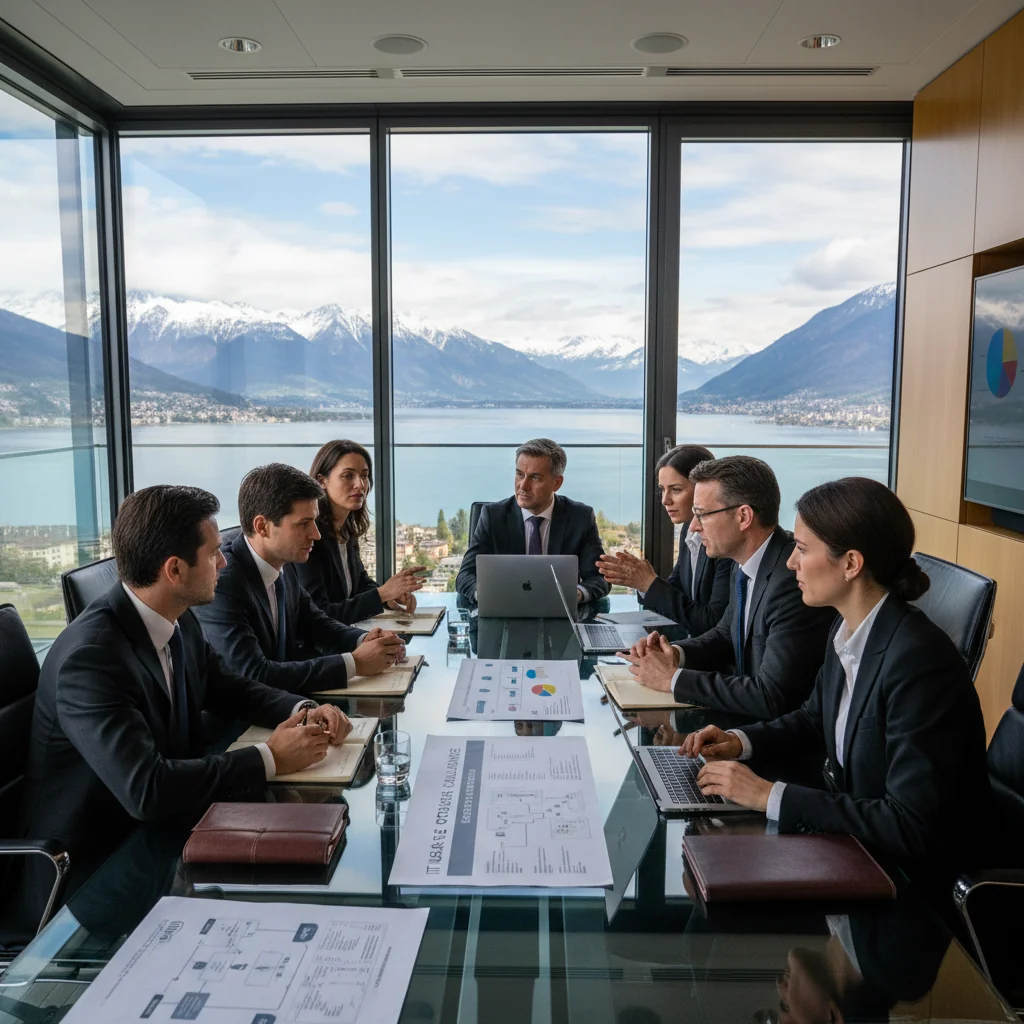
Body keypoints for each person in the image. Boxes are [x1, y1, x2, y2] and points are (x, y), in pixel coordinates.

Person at [20, 485, 350, 903]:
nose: (224, 561)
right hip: (90, 875)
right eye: (214, 554)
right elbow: (146, 789)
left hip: (170, 836)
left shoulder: (175, 618)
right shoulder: (90, 659)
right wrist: (270, 758)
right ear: (174, 570)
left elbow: (229, 687)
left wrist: (304, 708)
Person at [676, 477, 989, 877]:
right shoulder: (847, 631)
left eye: (802, 550)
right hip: (853, 848)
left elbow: (911, 824)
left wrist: (769, 795)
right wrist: (739, 741)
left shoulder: (919, 662)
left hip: (910, 884)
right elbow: (811, 720)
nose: (790, 563)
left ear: (851, 564)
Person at [621, 456, 835, 718]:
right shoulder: (743, 560)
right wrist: (674, 654)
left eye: (702, 515)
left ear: (743, 516)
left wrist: (672, 679)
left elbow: (772, 696)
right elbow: (725, 634)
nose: (695, 526)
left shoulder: (791, 580)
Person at [196, 464, 405, 694]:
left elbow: (317, 625)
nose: (316, 534)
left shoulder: (283, 565)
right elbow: (254, 674)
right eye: (303, 524)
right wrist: (354, 664)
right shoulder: (225, 583)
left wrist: (365, 640)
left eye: (314, 521)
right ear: (262, 527)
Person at [455, 437, 609, 606]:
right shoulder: (493, 516)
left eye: (535, 478)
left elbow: (600, 577)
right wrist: (485, 595)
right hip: (504, 611)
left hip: (559, 615)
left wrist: (577, 594)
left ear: (556, 483)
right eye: (520, 474)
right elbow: (465, 575)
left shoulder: (580, 517)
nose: (523, 486)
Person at [596, 444, 731, 634]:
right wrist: (641, 583)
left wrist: (649, 584)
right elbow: (677, 588)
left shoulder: (725, 543)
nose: (665, 500)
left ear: (704, 489)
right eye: (662, 490)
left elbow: (711, 622)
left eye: (675, 489)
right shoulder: (688, 529)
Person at [297, 439, 425, 624]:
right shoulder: (310, 537)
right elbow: (320, 614)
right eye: (348, 476)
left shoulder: (346, 528)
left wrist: (390, 597)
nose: (360, 484)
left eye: (364, 476)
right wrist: (382, 593)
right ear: (321, 481)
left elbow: (359, 584)